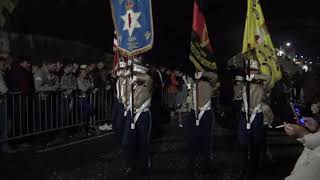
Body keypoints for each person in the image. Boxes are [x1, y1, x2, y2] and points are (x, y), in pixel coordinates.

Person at [238, 59, 271, 180]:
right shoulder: (244, 81)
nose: (251, 72)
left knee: (256, 144)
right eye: (250, 70)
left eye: (254, 70)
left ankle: (253, 169)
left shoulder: (261, 82)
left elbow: (269, 79)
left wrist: (255, 76)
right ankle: (243, 168)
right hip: (244, 114)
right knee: (243, 143)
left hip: (256, 115)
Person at [122, 57, 153, 176]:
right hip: (131, 114)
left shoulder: (147, 80)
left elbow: (148, 80)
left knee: (143, 142)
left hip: (143, 114)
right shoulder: (129, 80)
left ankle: (143, 167)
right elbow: (124, 95)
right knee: (127, 142)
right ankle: (131, 164)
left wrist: (137, 77)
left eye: (137, 72)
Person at [183, 70, 218, 172]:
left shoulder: (209, 81)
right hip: (193, 113)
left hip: (205, 113)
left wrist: (203, 74)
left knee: (206, 139)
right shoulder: (193, 80)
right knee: (192, 138)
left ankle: (206, 163)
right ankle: (192, 162)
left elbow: (214, 76)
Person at [77, 64, 95, 133]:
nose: (85, 74)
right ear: (80, 73)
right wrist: (89, 85)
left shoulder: (86, 79)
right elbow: (84, 88)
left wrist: (89, 85)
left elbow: (91, 87)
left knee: (85, 113)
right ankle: (82, 127)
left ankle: (84, 127)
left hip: (86, 98)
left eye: (86, 72)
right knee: (89, 108)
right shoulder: (78, 79)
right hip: (80, 99)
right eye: (84, 72)